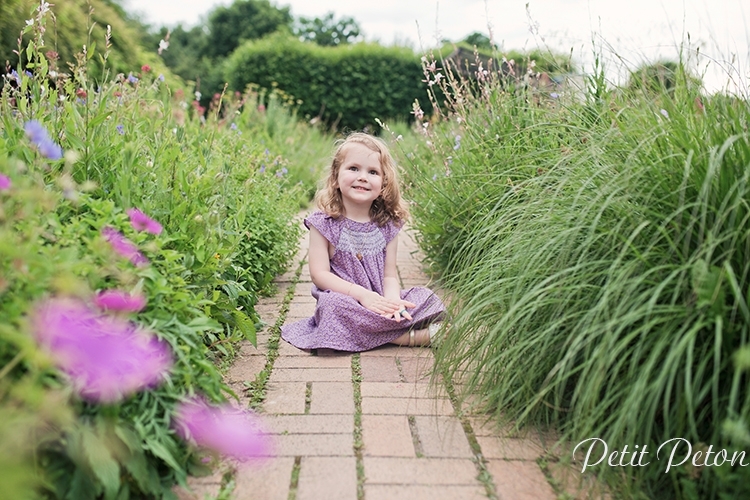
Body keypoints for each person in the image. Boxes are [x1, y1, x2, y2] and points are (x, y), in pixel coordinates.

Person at [281, 132, 445, 352]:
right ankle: (403, 338)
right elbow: (319, 275)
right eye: (353, 169)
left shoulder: (388, 225)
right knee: (332, 307)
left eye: (373, 172)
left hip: (379, 300)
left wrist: (393, 302)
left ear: (383, 185)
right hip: (347, 301)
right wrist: (362, 295)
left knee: (426, 297)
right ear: (335, 178)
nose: (363, 177)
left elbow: (389, 276)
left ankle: (377, 330)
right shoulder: (324, 224)